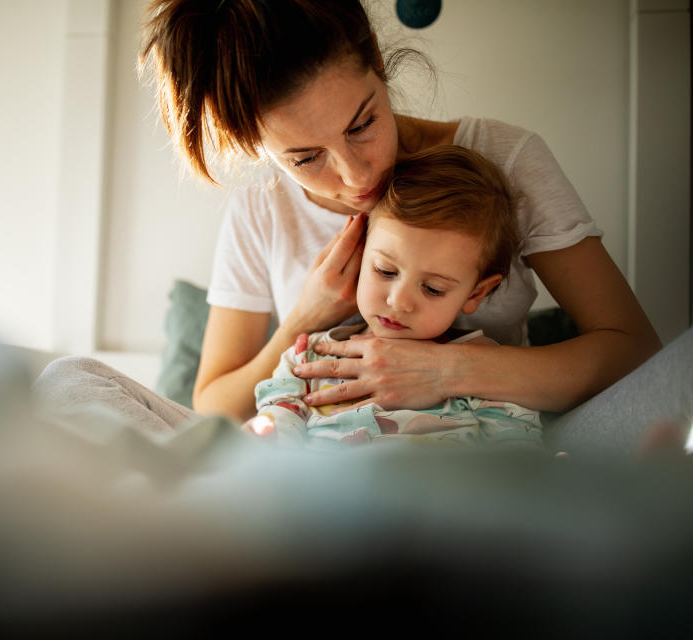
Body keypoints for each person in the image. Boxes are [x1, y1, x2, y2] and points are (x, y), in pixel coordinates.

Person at [35, 0, 686, 456]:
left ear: (377, 62)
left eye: (362, 123)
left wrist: (447, 373)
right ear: (259, 148)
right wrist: (302, 321)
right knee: (69, 382)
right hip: (313, 453)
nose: (353, 175)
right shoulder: (260, 213)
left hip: (485, 445)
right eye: (304, 157)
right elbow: (214, 406)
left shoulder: (506, 158)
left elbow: (633, 350)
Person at [245, 144, 543, 450]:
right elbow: (277, 415)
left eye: (433, 289)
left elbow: (516, 447)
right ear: (359, 252)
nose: (399, 301)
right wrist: (266, 438)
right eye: (385, 271)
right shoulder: (309, 357)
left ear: (477, 292)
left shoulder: (483, 368)